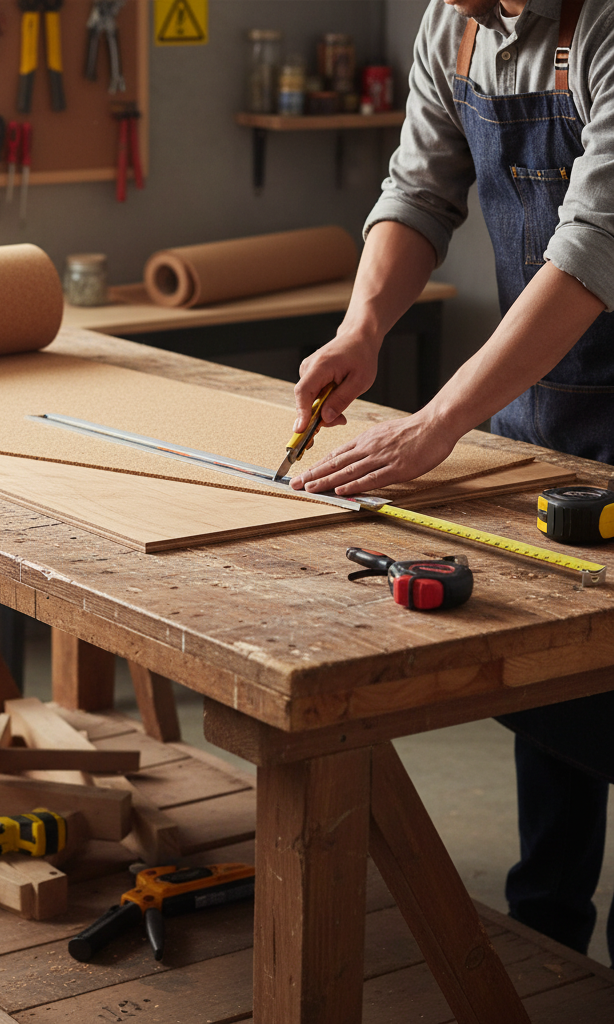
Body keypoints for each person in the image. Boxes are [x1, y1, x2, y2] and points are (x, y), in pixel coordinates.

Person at [288, 0, 614, 962]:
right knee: (550, 671)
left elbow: (596, 241)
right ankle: (549, 937)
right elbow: (420, 191)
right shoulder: (455, 24)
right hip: (540, 406)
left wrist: (438, 423)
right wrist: (362, 327)